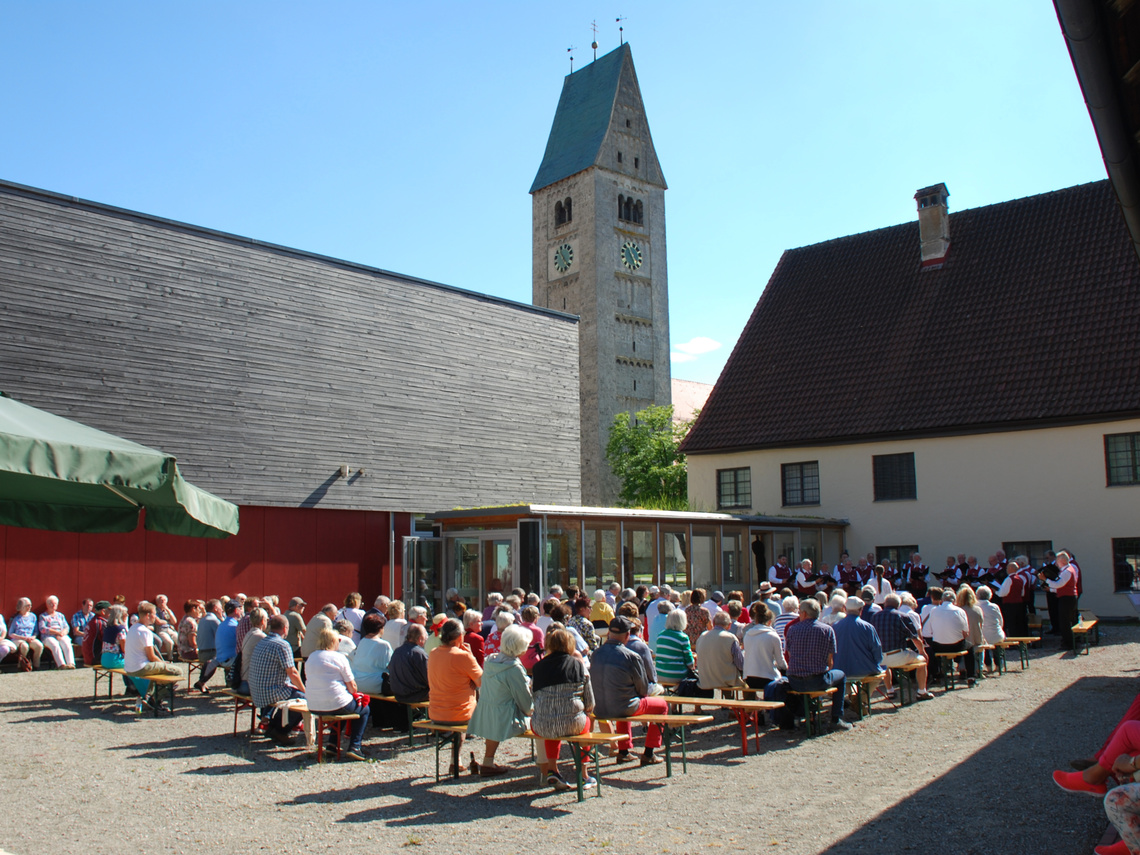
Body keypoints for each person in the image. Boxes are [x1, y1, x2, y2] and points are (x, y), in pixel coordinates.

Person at [591, 616, 670, 766]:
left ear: (609, 633)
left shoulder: (596, 654)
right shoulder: (631, 657)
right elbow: (643, 689)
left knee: (624, 700)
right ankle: (649, 752)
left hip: (600, 707)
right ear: (628, 635)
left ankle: (624, 751)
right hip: (623, 706)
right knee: (662, 706)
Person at [532, 627, 596, 791]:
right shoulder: (578, 665)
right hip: (574, 722)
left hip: (542, 724)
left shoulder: (538, 667)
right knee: (585, 726)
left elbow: (534, 696)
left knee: (550, 725)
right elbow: (590, 703)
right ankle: (583, 774)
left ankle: (553, 769)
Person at [468, 624, 533, 776]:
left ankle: (488, 762)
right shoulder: (514, 668)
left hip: (486, 713)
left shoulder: (490, 661)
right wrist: (532, 711)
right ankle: (547, 767)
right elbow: (525, 702)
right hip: (506, 718)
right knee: (544, 722)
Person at [783, 598, 851, 732]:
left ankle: (802, 715)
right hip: (817, 679)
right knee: (841, 675)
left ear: (803, 613)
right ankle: (836, 718)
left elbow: (790, 656)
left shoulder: (792, 629)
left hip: (795, 680)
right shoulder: (827, 630)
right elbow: (830, 661)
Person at [427, 618, 483, 775]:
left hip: (436, 712)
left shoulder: (433, 653)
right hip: (460, 713)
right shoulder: (464, 656)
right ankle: (457, 760)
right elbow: (481, 682)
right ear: (460, 637)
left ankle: (456, 761)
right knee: (467, 706)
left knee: (460, 701)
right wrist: (470, 656)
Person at [305, 627, 370, 761]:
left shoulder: (311, 657)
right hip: (336, 701)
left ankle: (332, 744)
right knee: (363, 709)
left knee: (340, 704)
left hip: (313, 704)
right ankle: (355, 746)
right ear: (334, 641)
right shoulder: (339, 657)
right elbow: (352, 686)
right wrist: (354, 692)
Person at [248, 614, 307, 746]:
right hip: (270, 692)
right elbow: (292, 672)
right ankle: (280, 730)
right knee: (303, 698)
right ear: (285, 629)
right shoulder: (282, 644)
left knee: (294, 693)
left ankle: (273, 726)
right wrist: (305, 690)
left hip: (256, 690)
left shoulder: (262, 641)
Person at [869, 594, 935, 701]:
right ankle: (922, 691)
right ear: (898, 605)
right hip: (898, 655)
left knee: (886, 666)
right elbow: (915, 638)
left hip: (880, 657)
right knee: (922, 661)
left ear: (885, 604)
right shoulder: (902, 616)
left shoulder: (875, 617)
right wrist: (922, 652)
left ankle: (890, 690)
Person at [124, 602, 181, 708]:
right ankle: (155, 699)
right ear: (148, 615)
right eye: (155, 614)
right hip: (140, 667)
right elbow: (151, 657)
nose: (156, 617)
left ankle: (148, 695)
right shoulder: (145, 632)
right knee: (177, 671)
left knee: (162, 669)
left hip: (129, 667)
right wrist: (164, 663)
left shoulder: (133, 627)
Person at [925, 589, 971, 684]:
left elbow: (930, 631)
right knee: (970, 647)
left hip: (939, 646)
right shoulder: (960, 611)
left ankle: (936, 675)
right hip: (956, 646)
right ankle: (971, 676)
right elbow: (966, 632)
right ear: (954, 601)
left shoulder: (934, 611)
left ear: (942, 600)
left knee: (931, 649)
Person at [833, 596, 884, 682]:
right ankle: (863, 695)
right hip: (866, 669)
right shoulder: (868, 627)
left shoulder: (835, 626)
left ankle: (851, 694)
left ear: (844, 609)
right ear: (861, 610)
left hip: (840, 670)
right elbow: (877, 651)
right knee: (878, 677)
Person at [743, 602, 787, 697]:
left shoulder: (748, 635)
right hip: (768, 678)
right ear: (770, 622)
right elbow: (781, 662)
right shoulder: (773, 636)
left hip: (750, 678)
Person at [696, 611, 745, 691]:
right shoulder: (730, 638)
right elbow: (740, 664)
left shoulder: (703, 636)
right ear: (729, 625)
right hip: (726, 680)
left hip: (705, 680)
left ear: (714, 623)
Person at [1041, 551, 1079, 649]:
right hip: (1067, 597)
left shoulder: (1067, 571)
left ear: (1061, 561)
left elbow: (1059, 584)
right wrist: (1052, 589)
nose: (1056, 563)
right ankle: (1068, 642)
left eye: (1057, 561)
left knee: (1065, 621)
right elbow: (1061, 586)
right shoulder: (1067, 570)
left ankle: (1068, 643)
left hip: (1067, 598)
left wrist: (1046, 580)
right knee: (1065, 621)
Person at [350, 612, 392, 695]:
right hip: (377, 685)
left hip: (358, 683)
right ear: (380, 628)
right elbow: (391, 666)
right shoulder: (384, 644)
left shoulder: (361, 642)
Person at [389, 623, 430, 703]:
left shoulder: (397, 651)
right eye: (425, 637)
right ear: (420, 638)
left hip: (399, 695)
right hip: (416, 695)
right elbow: (430, 678)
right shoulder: (419, 654)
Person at [655, 607, 694, 683]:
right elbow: (690, 663)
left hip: (659, 673)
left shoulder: (661, 635)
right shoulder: (683, 637)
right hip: (677, 675)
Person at [956, 585, 984, 684]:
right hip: (976, 638)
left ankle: (962, 669)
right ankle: (978, 669)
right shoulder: (977, 610)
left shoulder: (957, 610)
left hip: (963, 639)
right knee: (978, 646)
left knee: (963, 646)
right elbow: (981, 622)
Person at [38, 596, 76, 669]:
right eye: (51, 604)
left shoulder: (60, 615)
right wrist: (56, 633)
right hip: (48, 636)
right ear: (47, 605)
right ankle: (61, 665)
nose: (53, 605)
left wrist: (62, 633)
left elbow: (66, 627)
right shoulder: (43, 616)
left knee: (66, 642)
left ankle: (71, 664)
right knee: (55, 645)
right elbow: (42, 629)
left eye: (55, 604)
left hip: (61, 635)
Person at [194, 599, 222, 693]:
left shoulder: (203, 619)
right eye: (220, 608)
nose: (222, 610)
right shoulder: (213, 620)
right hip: (210, 653)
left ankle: (202, 683)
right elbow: (221, 636)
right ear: (216, 608)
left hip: (201, 652)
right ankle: (201, 682)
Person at [238, 608, 268, 695]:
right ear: (263, 621)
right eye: (267, 620)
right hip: (250, 685)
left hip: (242, 681)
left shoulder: (249, 633)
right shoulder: (261, 636)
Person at [80, 600, 110, 667]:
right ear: (103, 611)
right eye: (110, 610)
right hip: (94, 658)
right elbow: (107, 641)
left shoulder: (94, 620)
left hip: (88, 657)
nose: (111, 613)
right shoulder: (100, 622)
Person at [100, 604, 129, 669]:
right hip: (114, 660)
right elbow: (124, 649)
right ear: (120, 615)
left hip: (104, 660)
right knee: (134, 664)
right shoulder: (120, 629)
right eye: (125, 613)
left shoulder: (107, 628)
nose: (127, 615)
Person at [215, 600, 241, 670]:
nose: (241, 611)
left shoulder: (221, 624)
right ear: (236, 610)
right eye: (240, 609)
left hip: (220, 659)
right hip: (230, 660)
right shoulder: (235, 626)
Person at [518, 605, 545, 671]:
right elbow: (542, 647)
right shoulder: (537, 630)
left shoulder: (517, 628)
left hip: (519, 662)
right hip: (533, 663)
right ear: (535, 617)